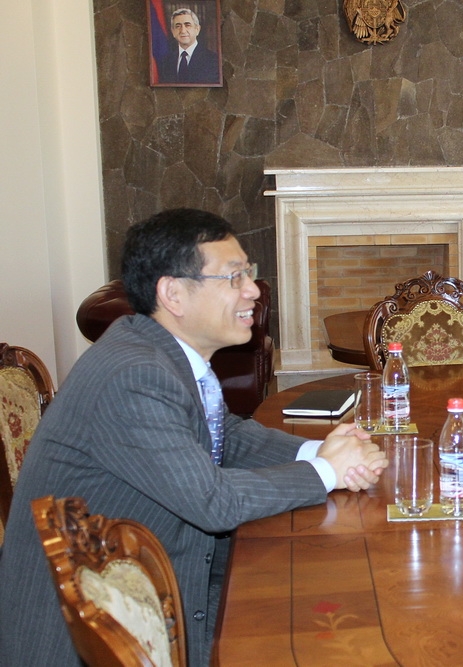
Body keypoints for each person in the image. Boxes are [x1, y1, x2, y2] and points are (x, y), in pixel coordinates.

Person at [0, 209, 388, 666]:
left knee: (335, 594)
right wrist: (325, 472)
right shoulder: (134, 375)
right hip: (102, 634)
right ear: (173, 294)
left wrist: (320, 451)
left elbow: (227, 435)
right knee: (337, 633)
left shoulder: (157, 351)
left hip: (159, 575)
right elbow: (212, 502)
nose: (253, 290)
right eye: (233, 276)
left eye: (249, 272)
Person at [156, 8, 221, 84]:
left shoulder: (213, 60)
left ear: (197, 29)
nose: (183, 31)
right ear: (173, 31)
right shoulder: (165, 62)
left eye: (187, 25)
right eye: (178, 26)